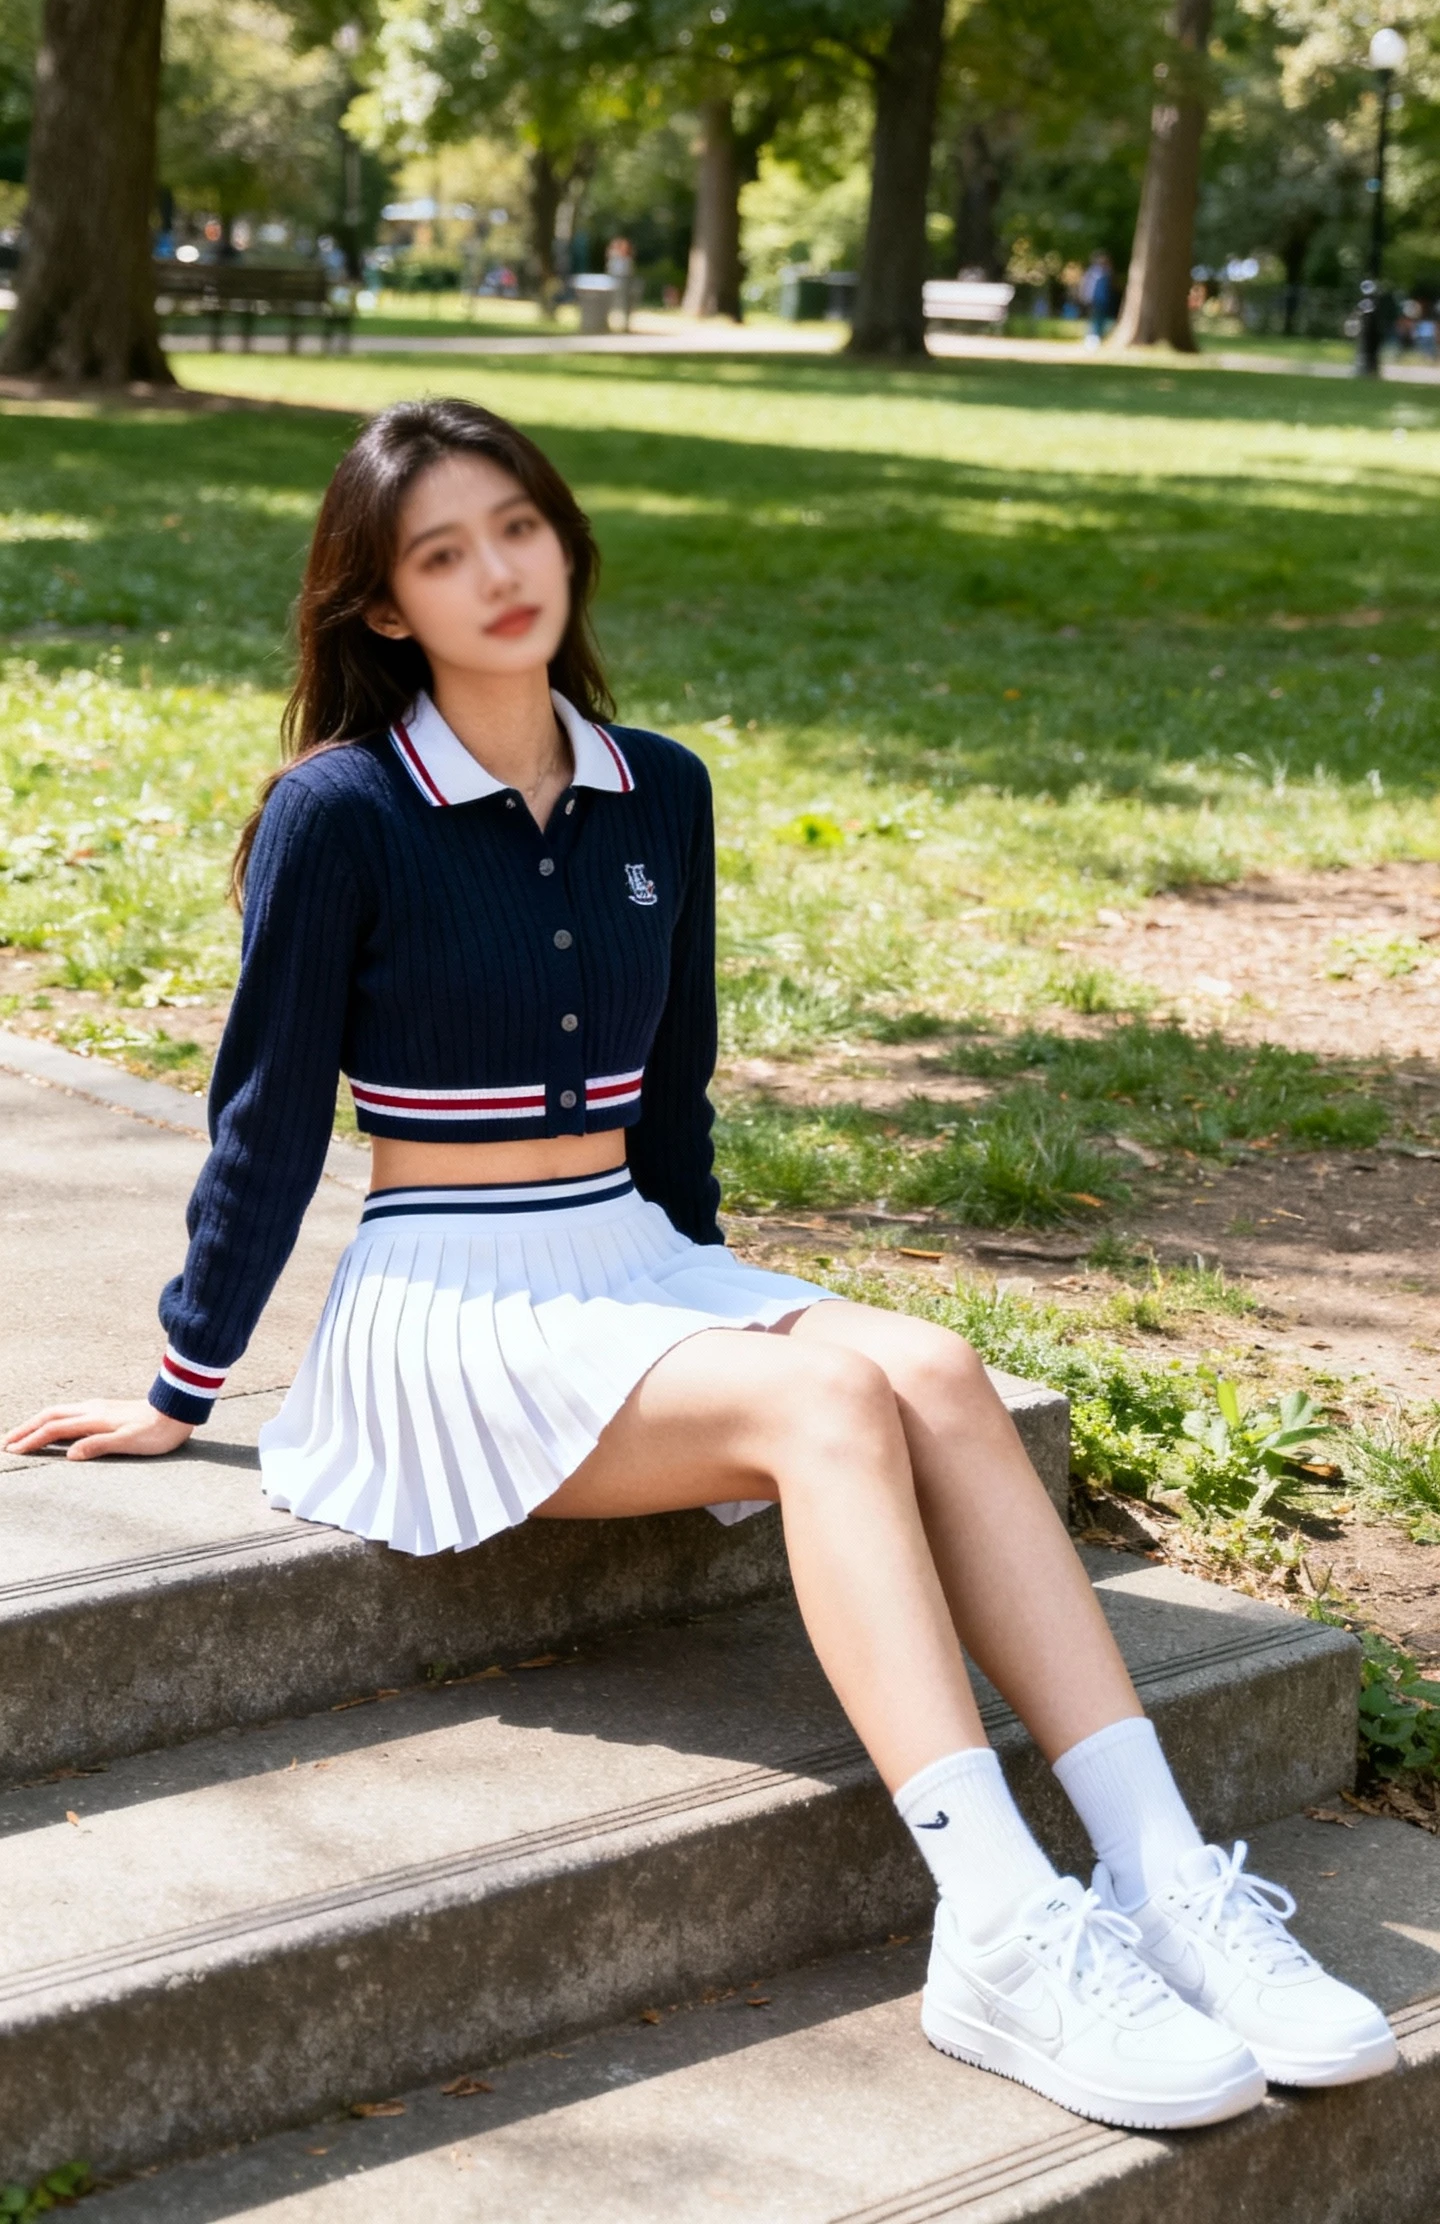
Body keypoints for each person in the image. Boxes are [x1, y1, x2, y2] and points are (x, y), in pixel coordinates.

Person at [4, 398, 1394, 2131]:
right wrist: (179, 1386)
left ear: (565, 534)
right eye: (441, 553)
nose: (497, 572)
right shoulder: (340, 811)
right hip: (447, 1305)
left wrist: (714, 1308)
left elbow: (677, 1096)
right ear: (381, 608)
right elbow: (267, 1116)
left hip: (625, 1263)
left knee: (932, 1370)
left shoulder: (660, 785)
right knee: (825, 1406)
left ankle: (1165, 1876)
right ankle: (1000, 1925)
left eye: (516, 525)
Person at [1080, 251, 1116, 346]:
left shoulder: (1105, 272)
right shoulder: (1093, 273)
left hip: (1103, 300)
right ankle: (1093, 338)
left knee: (1101, 319)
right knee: (1094, 319)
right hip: (1095, 300)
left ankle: (1098, 337)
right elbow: (1088, 287)